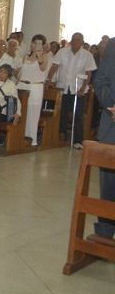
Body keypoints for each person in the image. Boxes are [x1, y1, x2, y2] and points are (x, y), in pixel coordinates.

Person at [49, 32, 97, 148]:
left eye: (78, 40)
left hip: (79, 89)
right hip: (63, 87)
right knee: (62, 113)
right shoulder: (62, 52)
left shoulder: (87, 55)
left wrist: (81, 89)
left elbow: (88, 73)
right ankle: (61, 134)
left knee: (78, 115)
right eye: (73, 39)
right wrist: (49, 79)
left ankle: (78, 140)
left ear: (82, 42)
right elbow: (54, 66)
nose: (75, 42)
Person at [89, 37, 115, 247]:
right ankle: (105, 233)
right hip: (112, 126)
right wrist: (112, 105)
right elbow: (101, 80)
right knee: (109, 183)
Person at [17, 34, 52, 146]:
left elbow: (42, 68)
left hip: (35, 87)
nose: (36, 45)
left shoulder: (45, 57)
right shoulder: (25, 56)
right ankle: (18, 136)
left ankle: (31, 138)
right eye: (34, 42)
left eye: (39, 43)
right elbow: (21, 72)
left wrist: (39, 56)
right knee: (20, 111)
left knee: (32, 114)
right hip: (22, 86)